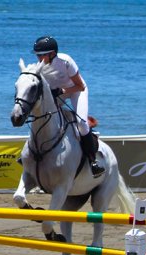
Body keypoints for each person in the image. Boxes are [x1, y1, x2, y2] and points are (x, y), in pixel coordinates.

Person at [33, 36, 105, 178]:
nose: (39, 58)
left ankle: (93, 161)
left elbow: (80, 86)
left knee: (82, 124)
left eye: (41, 55)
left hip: (76, 91)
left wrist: (63, 91)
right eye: (37, 55)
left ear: (52, 54)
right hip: (59, 94)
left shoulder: (65, 61)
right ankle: (32, 154)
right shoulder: (39, 67)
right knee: (42, 118)